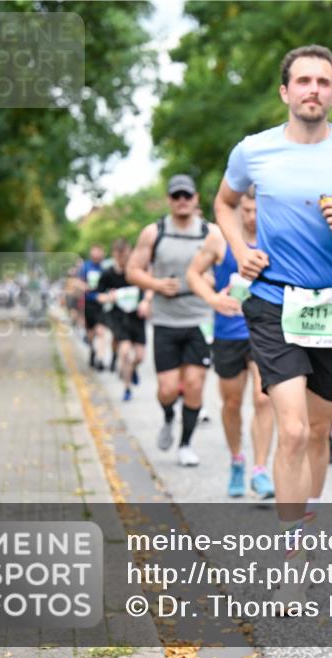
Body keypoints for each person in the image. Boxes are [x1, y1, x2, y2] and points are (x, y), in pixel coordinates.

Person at [212, 44, 332, 612]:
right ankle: (292, 558)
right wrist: (240, 248)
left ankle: (306, 528)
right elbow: (224, 203)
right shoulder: (254, 150)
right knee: (291, 431)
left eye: (323, 81)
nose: (313, 89)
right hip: (273, 303)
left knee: (319, 431)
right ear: (285, 91)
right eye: (303, 81)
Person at [186, 187, 276, 499]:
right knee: (232, 403)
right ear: (236, 209)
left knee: (264, 398)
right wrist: (213, 299)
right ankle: (237, 459)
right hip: (228, 333)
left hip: (264, 331)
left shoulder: (273, 236)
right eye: (246, 211)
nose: (251, 217)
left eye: (257, 211)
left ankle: (260, 469)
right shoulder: (219, 239)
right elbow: (193, 274)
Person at [127, 174, 214, 467]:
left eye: (187, 195)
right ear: (169, 200)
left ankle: (186, 444)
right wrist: (156, 284)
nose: (182, 201)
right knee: (167, 389)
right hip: (165, 320)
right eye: (176, 196)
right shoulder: (154, 232)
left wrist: (213, 282)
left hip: (199, 318)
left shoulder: (209, 232)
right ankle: (168, 417)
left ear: (196, 198)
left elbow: (227, 265)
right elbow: (133, 271)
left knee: (194, 385)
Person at [97, 239, 146, 401]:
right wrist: (108, 297)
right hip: (118, 317)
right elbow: (98, 295)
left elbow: (147, 289)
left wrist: (146, 302)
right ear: (114, 255)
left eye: (125, 255)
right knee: (124, 351)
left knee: (140, 356)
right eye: (119, 256)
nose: (122, 259)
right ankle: (127, 388)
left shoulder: (137, 271)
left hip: (137, 317)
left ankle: (132, 369)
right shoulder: (108, 274)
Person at [78, 244, 108, 370]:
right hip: (89, 304)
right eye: (94, 252)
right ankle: (92, 351)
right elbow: (78, 283)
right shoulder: (85, 267)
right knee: (90, 333)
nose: (97, 255)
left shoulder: (105, 268)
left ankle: (100, 360)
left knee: (101, 332)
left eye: (99, 252)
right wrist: (84, 287)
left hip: (101, 305)